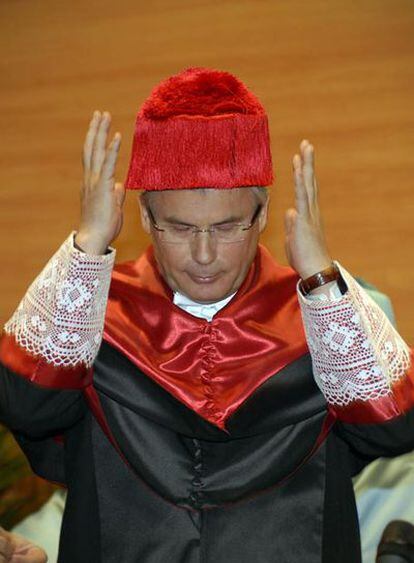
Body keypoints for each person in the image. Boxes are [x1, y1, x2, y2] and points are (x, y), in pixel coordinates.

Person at [0, 67, 413, 563]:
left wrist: (321, 277)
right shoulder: (93, 317)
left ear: (261, 216)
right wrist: (86, 247)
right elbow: (27, 408)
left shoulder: (319, 322)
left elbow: (392, 431)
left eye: (228, 226)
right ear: (146, 218)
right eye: (178, 227)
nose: (203, 255)